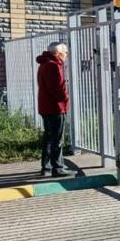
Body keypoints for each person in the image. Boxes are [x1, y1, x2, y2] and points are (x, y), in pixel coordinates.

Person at [36, 42, 71, 177]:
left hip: (45, 106)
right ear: (58, 53)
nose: (66, 55)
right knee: (57, 139)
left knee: (49, 137)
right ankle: (58, 167)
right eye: (65, 52)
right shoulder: (54, 66)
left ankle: (46, 167)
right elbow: (57, 88)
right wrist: (65, 98)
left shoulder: (44, 64)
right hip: (55, 107)